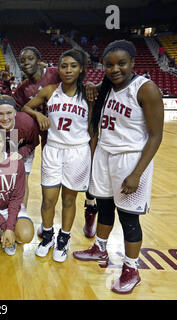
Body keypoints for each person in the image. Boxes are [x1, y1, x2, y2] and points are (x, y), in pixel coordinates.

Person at [72, 40, 164, 294]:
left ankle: (131, 269)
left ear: (133, 63)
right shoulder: (106, 88)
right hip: (105, 154)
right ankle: (100, 248)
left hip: (131, 160)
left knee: (128, 218)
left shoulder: (146, 89)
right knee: (104, 206)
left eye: (121, 63)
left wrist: (137, 173)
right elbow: (95, 116)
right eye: (109, 65)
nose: (115, 69)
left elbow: (156, 136)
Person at [19, 46, 99, 239]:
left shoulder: (82, 90)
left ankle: (88, 216)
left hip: (78, 148)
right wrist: (37, 113)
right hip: (53, 143)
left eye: (73, 66)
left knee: (81, 193)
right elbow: (23, 106)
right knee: (49, 197)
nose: (68, 70)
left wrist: (93, 157)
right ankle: (47, 232)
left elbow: (92, 129)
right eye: (64, 66)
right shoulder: (39, 89)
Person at [0, 95, 40, 208]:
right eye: (0, 114)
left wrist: (21, 153)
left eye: (9, 113)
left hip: (22, 149)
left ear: (15, 113)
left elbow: (34, 143)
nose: (5, 118)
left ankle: (21, 212)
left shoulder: (27, 122)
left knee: (21, 183)